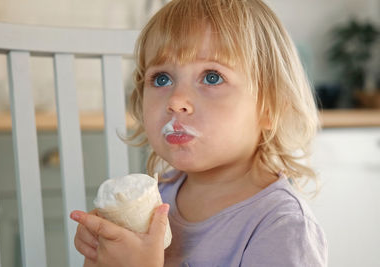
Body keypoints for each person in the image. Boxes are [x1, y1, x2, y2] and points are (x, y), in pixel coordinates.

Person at [70, 0, 328, 266]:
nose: (176, 100)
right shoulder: (151, 203)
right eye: (162, 79)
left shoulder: (283, 227)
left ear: (270, 107)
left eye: (212, 77)